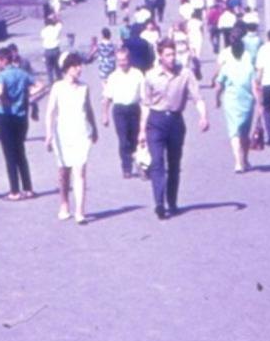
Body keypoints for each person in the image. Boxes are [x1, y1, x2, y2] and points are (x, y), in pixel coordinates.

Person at [138, 38, 210, 219]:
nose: (172, 58)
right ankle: (159, 203)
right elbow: (146, 104)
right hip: (156, 122)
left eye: (173, 54)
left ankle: (172, 201)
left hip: (176, 122)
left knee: (174, 164)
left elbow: (197, 98)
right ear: (160, 56)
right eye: (168, 55)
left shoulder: (185, 74)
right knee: (157, 163)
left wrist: (203, 116)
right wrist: (141, 130)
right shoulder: (151, 76)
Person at [44, 53, 98, 223]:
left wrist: (94, 129)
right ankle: (64, 203)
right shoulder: (57, 87)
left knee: (80, 170)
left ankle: (80, 212)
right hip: (62, 134)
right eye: (75, 66)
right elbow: (50, 112)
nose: (79, 69)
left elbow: (88, 110)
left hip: (82, 133)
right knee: (64, 172)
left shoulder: (84, 88)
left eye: (80, 65)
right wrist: (48, 134)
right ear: (67, 68)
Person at [0, 46, 37, 200]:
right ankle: (28, 188)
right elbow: (39, 85)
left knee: (9, 155)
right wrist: (27, 96)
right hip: (21, 116)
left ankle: (14, 191)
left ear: (3, 60)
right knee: (21, 153)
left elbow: (0, 92)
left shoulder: (2, 76)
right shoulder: (22, 73)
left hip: (6, 116)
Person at [215, 28, 260, 173]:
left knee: (234, 132)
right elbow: (255, 86)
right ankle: (244, 159)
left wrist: (217, 99)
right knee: (244, 133)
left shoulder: (226, 65)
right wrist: (260, 103)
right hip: (247, 101)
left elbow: (219, 85)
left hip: (231, 101)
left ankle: (238, 162)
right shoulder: (249, 65)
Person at [101, 46, 146, 178]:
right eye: (119, 60)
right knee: (123, 140)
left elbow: (144, 97)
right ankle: (126, 167)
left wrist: (146, 113)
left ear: (129, 59)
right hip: (120, 110)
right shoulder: (113, 77)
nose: (122, 63)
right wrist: (105, 115)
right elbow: (107, 98)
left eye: (124, 60)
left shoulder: (137, 74)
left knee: (136, 139)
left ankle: (140, 164)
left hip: (134, 109)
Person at [40, 14, 65, 88]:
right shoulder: (56, 29)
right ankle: (60, 80)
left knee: (49, 68)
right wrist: (56, 17)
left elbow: (42, 37)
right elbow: (60, 23)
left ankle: (51, 83)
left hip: (47, 51)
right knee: (57, 66)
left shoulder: (43, 31)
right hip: (55, 50)